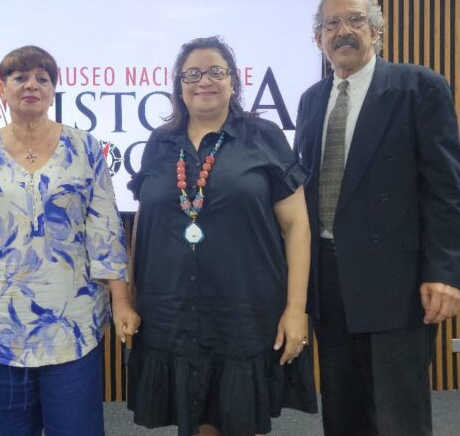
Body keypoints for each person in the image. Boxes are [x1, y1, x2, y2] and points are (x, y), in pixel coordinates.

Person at [0, 45, 139, 436]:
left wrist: (121, 301)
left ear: (53, 89)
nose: (32, 85)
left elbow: (105, 231)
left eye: (42, 79)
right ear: (3, 87)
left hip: (72, 324)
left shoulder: (86, 148)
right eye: (20, 77)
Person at [294, 0, 460, 436]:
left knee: (397, 414)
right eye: (331, 24)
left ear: (377, 32)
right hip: (328, 282)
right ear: (318, 40)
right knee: (343, 408)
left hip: (398, 282)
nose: (343, 31)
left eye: (354, 20)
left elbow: (444, 190)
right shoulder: (312, 101)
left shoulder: (419, 87)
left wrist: (445, 272)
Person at [126, 36, 317, 436]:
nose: (204, 81)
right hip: (172, 308)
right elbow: (143, 223)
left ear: (233, 81)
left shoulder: (264, 136)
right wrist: (129, 298)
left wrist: (296, 310)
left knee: (235, 419)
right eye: (192, 73)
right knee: (193, 421)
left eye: (216, 71)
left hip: (243, 309)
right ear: (179, 84)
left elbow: (296, 226)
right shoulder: (160, 143)